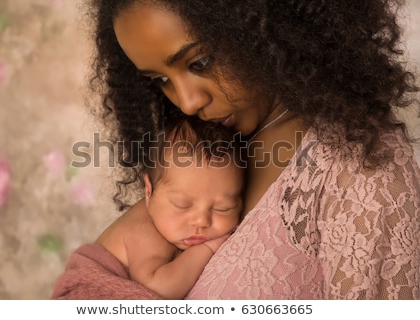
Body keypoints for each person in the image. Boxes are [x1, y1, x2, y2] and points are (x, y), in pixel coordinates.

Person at [79, 0, 420, 299]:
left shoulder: (361, 170)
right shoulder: (207, 146)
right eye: (160, 80)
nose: (187, 102)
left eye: (200, 62)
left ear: (263, 28)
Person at [52, 116, 244, 299]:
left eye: (223, 208)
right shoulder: (145, 229)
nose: (201, 220)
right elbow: (158, 288)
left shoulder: (168, 221)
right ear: (149, 190)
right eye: (182, 205)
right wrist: (207, 248)